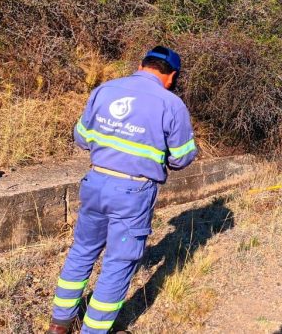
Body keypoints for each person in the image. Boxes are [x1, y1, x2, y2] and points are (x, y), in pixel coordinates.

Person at [47, 46, 198, 334]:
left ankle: (59, 324)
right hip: (133, 192)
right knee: (118, 262)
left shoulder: (105, 89)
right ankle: (93, 330)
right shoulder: (171, 104)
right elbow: (182, 157)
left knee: (82, 251)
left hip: (95, 182)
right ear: (172, 76)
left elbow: (82, 137)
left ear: (142, 65)